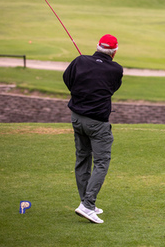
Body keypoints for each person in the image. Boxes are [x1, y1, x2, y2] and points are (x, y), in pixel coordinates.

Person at [63, 34, 123, 224]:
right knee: (102, 162)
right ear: (114, 52)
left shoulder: (80, 61)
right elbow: (111, 88)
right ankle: (87, 205)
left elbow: (68, 79)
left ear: (97, 46)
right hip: (97, 123)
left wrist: (82, 89)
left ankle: (86, 201)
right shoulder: (116, 69)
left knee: (82, 159)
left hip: (77, 118)